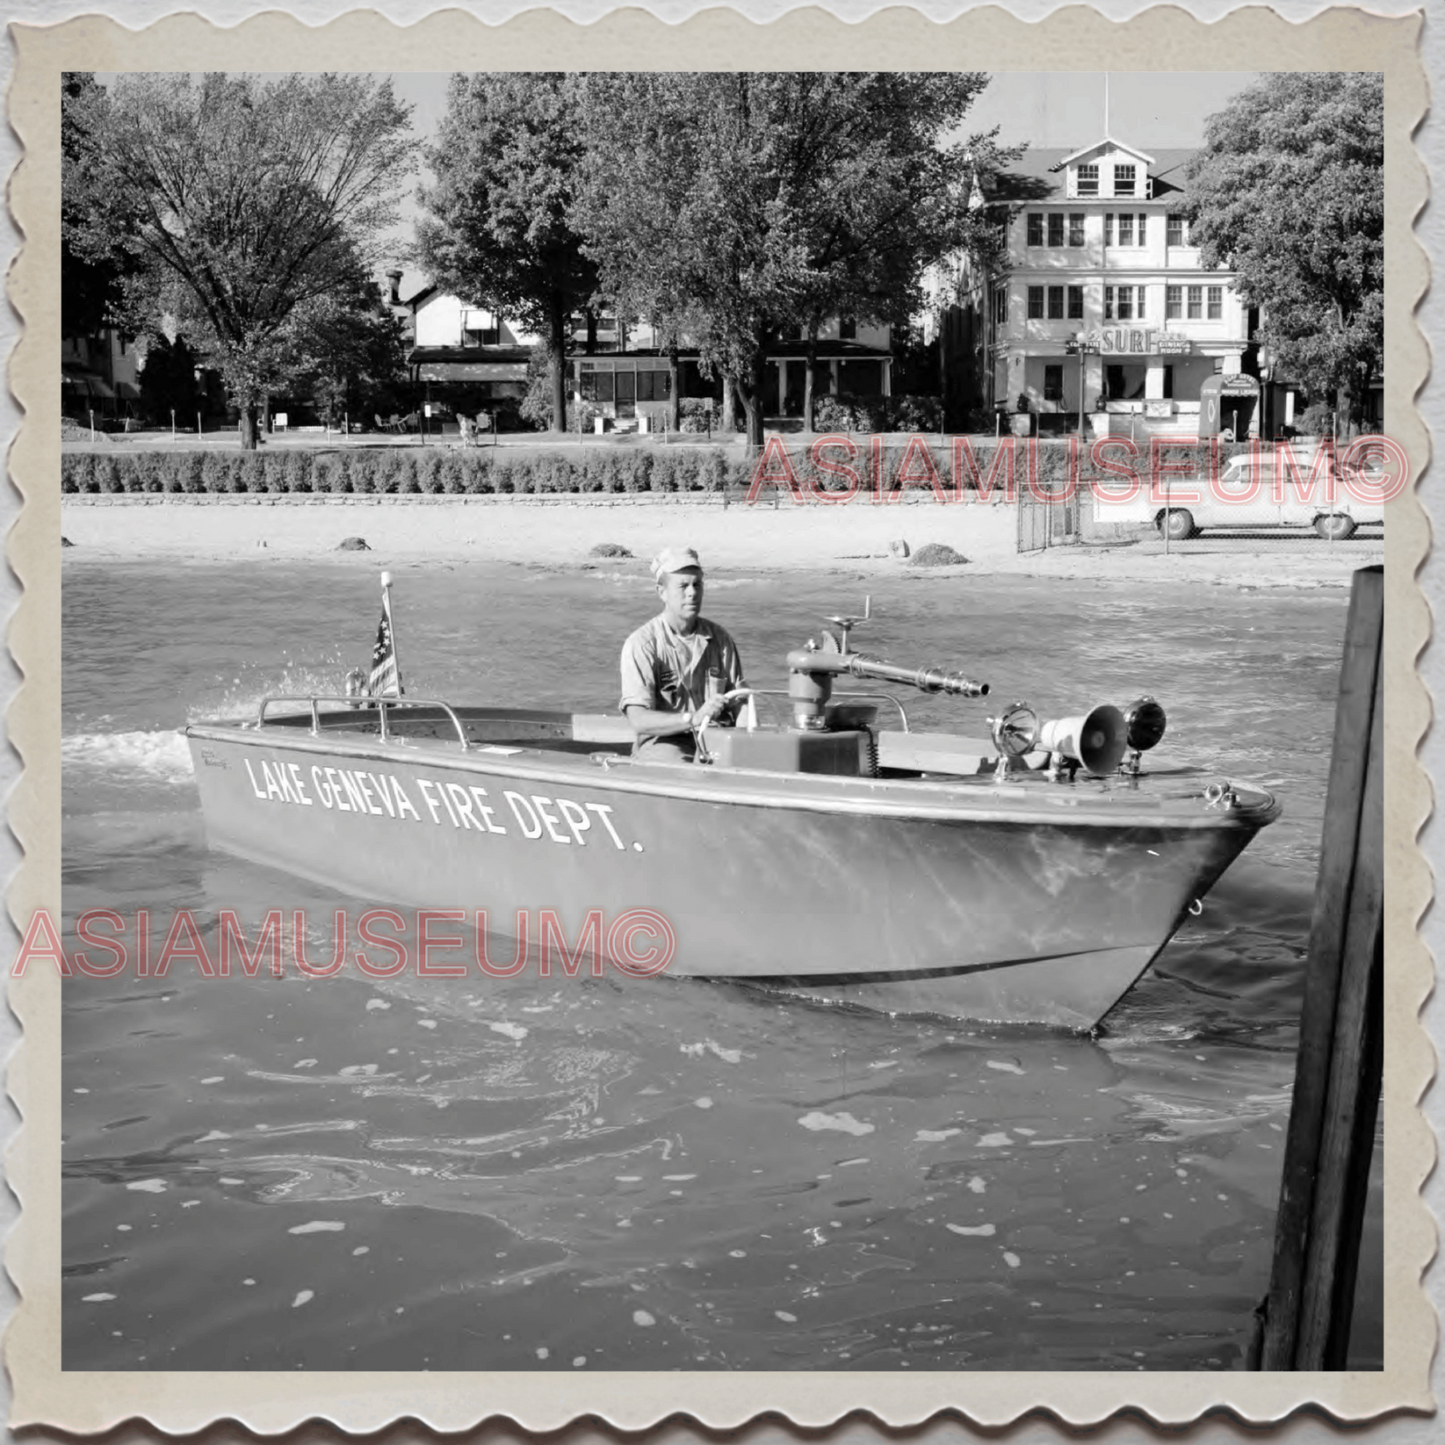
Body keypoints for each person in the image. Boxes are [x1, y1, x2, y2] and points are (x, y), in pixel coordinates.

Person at [620, 548, 744, 761]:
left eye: (697, 585)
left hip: (717, 738)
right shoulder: (642, 643)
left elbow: (741, 703)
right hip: (666, 742)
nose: (692, 593)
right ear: (662, 592)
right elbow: (638, 719)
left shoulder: (721, 639)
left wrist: (750, 744)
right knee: (679, 767)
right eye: (683, 586)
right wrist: (693, 719)